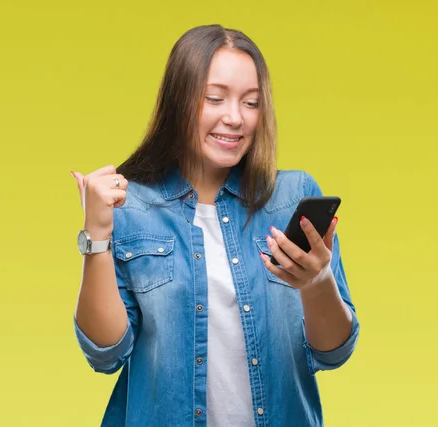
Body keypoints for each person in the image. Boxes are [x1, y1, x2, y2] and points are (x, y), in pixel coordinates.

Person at [70, 24, 359, 427]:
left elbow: (333, 352)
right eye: (214, 98)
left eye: (251, 103)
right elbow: (105, 352)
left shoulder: (292, 198)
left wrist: (316, 280)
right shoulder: (131, 205)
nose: (235, 118)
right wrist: (98, 237)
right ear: (179, 101)